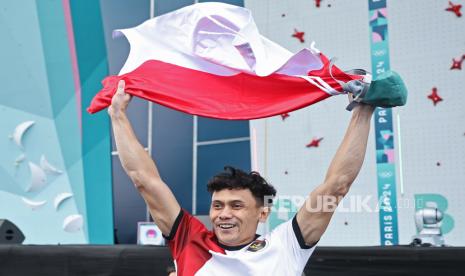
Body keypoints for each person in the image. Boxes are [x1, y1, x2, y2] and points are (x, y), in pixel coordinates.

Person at [109, 71, 405, 275]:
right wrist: (118, 116)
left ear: (262, 213)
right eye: (218, 205)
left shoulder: (286, 244)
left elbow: (336, 186)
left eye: (237, 206)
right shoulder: (189, 239)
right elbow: (143, 179)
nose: (224, 214)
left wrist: (364, 110)